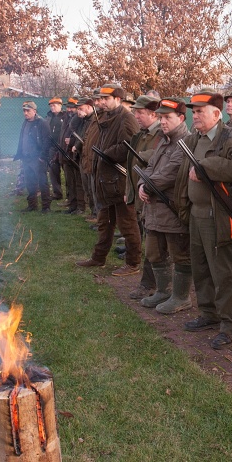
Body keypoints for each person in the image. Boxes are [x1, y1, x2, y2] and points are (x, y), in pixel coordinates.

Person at [177, 92, 232, 350]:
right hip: (196, 214)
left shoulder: (229, 137)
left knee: (225, 273)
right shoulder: (193, 138)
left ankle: (230, 325)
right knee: (201, 269)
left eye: (200, 111)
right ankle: (209, 313)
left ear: (217, 114)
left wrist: (207, 166)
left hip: (218, 215)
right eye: (194, 111)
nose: (195, 116)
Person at [76, 84, 142, 276]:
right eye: (101, 99)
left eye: (106, 99)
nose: (102, 102)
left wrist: (106, 154)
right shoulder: (105, 117)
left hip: (119, 181)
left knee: (127, 224)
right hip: (105, 180)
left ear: (118, 99)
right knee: (104, 223)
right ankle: (98, 258)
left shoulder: (126, 118)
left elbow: (129, 147)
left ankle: (133, 263)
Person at [138, 97, 192, 314]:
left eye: (167, 117)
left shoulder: (186, 141)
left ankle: (181, 297)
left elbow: (171, 172)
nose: (162, 121)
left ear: (181, 118)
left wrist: (147, 185)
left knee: (180, 255)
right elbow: (150, 167)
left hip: (172, 209)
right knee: (154, 252)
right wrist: (142, 184)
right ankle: (163, 291)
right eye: (160, 117)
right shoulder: (164, 140)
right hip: (154, 208)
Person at [125, 95, 162, 300]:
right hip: (141, 194)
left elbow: (155, 163)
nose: (136, 116)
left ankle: (150, 284)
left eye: (140, 113)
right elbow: (131, 165)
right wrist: (129, 191)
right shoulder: (141, 135)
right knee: (149, 240)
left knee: (153, 244)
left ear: (153, 114)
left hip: (153, 196)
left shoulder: (160, 135)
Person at [13, 101, 52, 213]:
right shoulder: (25, 123)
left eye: (28, 111)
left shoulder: (42, 123)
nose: (25, 113)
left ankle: (46, 207)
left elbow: (47, 141)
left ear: (34, 111)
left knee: (42, 182)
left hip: (38, 158)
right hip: (26, 158)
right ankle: (32, 205)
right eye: (24, 111)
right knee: (29, 182)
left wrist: (42, 157)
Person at [61, 98, 87, 215]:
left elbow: (81, 136)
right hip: (67, 153)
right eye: (68, 107)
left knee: (78, 182)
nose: (69, 109)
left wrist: (72, 142)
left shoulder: (80, 119)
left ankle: (80, 206)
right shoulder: (67, 118)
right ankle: (73, 205)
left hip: (76, 154)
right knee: (71, 182)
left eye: (73, 107)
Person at [46, 97, 66, 201]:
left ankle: (71, 195)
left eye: (54, 105)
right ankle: (57, 193)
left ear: (60, 106)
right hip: (52, 147)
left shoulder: (65, 117)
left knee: (67, 172)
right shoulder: (48, 117)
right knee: (53, 170)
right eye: (51, 106)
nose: (52, 107)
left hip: (63, 148)